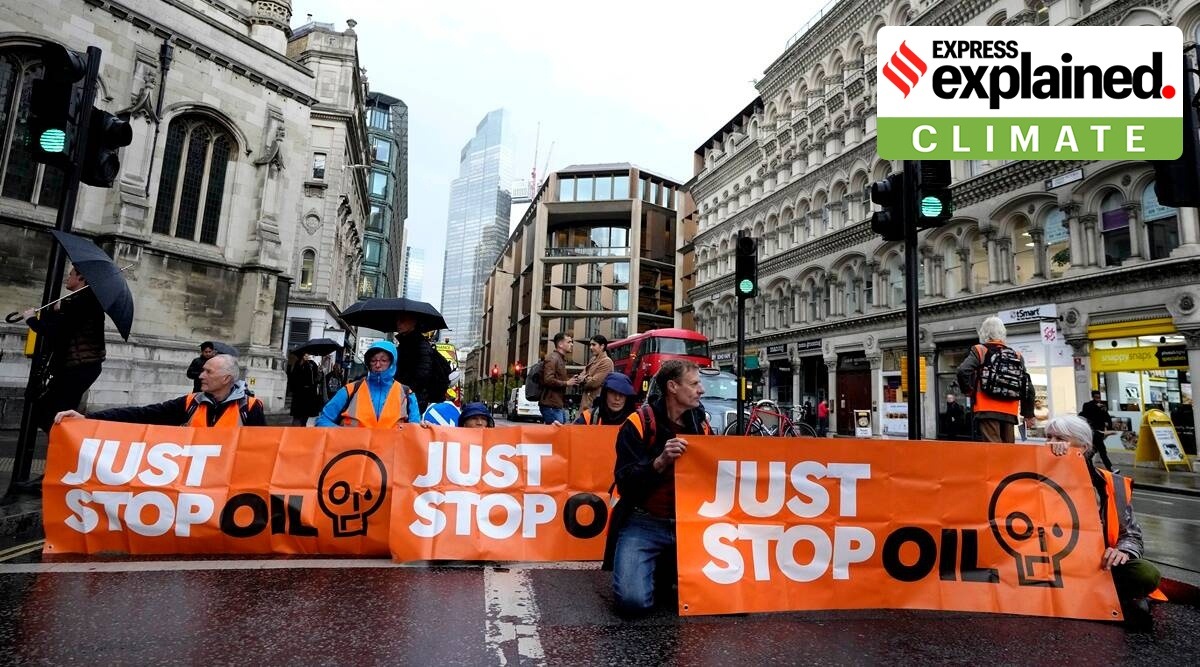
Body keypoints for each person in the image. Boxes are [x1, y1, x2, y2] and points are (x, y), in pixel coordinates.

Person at [603, 360, 711, 616]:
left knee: (729, 596)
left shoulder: (701, 425)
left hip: (690, 525)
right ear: (672, 387)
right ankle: (661, 568)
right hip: (644, 522)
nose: (701, 390)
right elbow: (625, 482)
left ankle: (664, 569)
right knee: (633, 603)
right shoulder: (638, 423)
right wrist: (659, 463)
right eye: (694, 383)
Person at [1045, 415, 1161, 629]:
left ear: (1084, 446)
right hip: (1048, 566)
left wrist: (1122, 552)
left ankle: (1109, 597)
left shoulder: (1110, 484)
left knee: (1145, 574)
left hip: (1095, 565)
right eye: (1048, 437)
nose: (1051, 443)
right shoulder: (1034, 477)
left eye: (1060, 438)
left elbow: (1131, 535)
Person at [54, 354, 265, 427]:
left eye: (208, 372)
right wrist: (88, 418)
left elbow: (262, 454)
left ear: (226, 378)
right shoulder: (191, 402)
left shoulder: (251, 408)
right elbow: (143, 414)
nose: (201, 376)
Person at [21, 265, 107, 434]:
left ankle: (66, 447)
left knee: (52, 412)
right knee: (54, 411)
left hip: (79, 367)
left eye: (71, 274)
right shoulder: (83, 301)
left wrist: (31, 320)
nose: (67, 278)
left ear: (81, 278)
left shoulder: (82, 301)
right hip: (80, 367)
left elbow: (56, 333)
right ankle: (63, 445)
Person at [956, 316, 1035, 443]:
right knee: (1007, 451)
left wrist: (969, 391)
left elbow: (962, 371)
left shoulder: (980, 350)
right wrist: (1028, 414)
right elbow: (1028, 386)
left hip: (986, 408)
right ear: (1003, 333)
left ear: (983, 333)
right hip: (1010, 411)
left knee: (993, 451)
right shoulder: (1016, 355)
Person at [317, 341, 419, 427]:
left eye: (383, 360)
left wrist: (427, 427)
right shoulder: (350, 390)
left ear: (392, 362)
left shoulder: (407, 394)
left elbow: (415, 429)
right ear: (368, 362)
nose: (378, 365)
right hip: (353, 449)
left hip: (392, 450)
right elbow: (323, 420)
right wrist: (344, 435)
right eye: (373, 360)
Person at [392, 314, 450, 411]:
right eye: (397, 320)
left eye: (402, 320)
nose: (398, 324)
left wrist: (404, 389)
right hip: (406, 397)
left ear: (413, 322)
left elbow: (422, 374)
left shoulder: (419, 345)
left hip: (414, 401)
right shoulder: (406, 343)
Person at [538, 332, 579, 425]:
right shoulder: (553, 358)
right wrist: (567, 383)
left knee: (558, 434)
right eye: (569, 342)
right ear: (560, 344)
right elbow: (548, 379)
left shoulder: (559, 359)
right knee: (556, 435)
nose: (571, 344)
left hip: (556, 404)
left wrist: (570, 380)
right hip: (551, 405)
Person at [1079, 390, 1117, 472]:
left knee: (1094, 450)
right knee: (1102, 450)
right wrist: (1097, 407)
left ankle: (1085, 464)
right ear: (1093, 397)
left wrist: (1109, 425)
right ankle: (1110, 468)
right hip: (1093, 431)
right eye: (1096, 397)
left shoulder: (1102, 406)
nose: (1098, 399)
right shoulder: (1088, 405)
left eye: (1099, 397)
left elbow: (1107, 417)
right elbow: (1084, 414)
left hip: (1100, 431)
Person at [574, 335, 614, 411]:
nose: (591, 347)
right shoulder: (592, 360)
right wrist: (586, 378)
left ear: (602, 346)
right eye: (590, 345)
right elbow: (580, 377)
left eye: (594, 345)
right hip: (586, 402)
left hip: (595, 405)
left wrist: (584, 378)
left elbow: (594, 383)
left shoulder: (607, 362)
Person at [287, 353, 324, 426]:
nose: (307, 356)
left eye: (308, 355)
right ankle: (295, 429)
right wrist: (301, 364)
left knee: (306, 415)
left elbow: (317, 379)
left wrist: (320, 372)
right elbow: (293, 377)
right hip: (299, 393)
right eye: (305, 355)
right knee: (297, 415)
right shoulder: (298, 363)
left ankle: (303, 427)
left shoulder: (312, 364)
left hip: (309, 394)